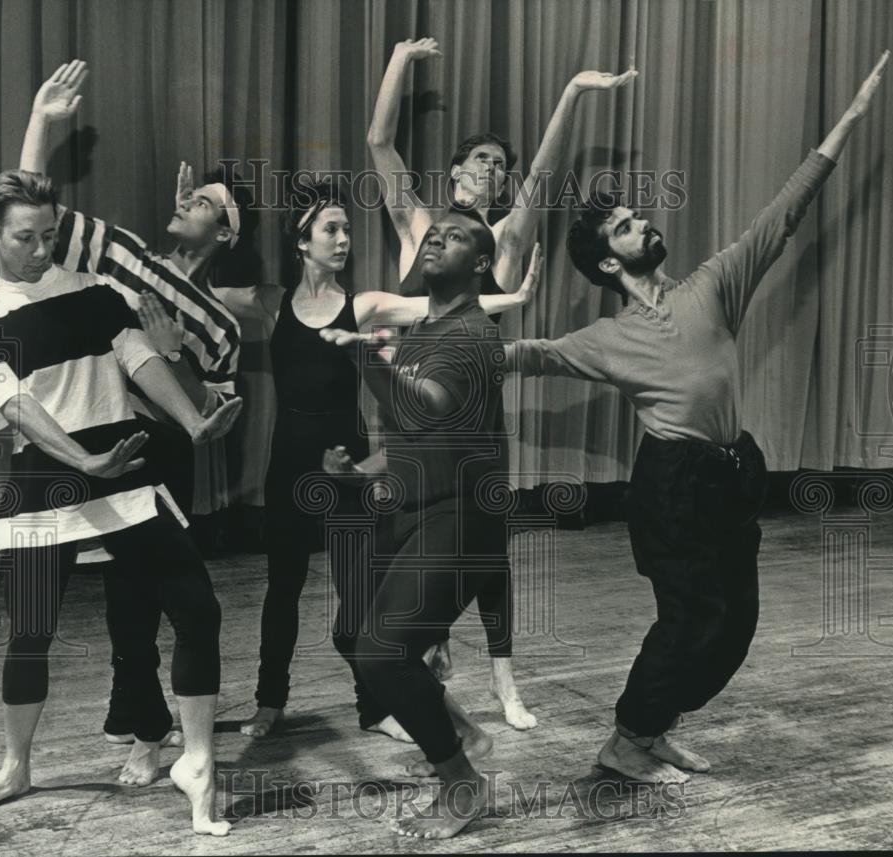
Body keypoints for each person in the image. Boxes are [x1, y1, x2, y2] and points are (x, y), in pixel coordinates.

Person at [504, 53, 890, 783]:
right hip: (672, 486)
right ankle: (626, 738)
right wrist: (433, 346)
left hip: (730, 472)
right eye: (625, 224)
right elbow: (528, 354)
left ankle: (653, 727)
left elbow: (782, 215)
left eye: (636, 215)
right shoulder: (607, 339)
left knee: (734, 625)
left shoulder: (712, 286)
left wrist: (850, 119)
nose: (642, 221)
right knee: (689, 620)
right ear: (608, 263)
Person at [0, 169, 243, 836]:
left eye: (50, 235)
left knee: (198, 608)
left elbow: (142, 362)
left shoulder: (101, 291)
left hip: (125, 470)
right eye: (25, 237)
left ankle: (197, 760)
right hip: (47, 481)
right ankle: (15, 765)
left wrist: (196, 420)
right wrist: (80, 459)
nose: (39, 248)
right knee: (29, 635)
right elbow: (13, 402)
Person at [367, 37, 637, 726]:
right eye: (483, 159)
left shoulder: (506, 244)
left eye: (500, 165)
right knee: (400, 549)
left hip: (477, 428)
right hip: (408, 422)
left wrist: (573, 93)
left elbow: (542, 174)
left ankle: (505, 683)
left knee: (489, 556)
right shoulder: (422, 228)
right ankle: (417, 669)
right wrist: (400, 56)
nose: (495, 169)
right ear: (457, 170)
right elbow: (378, 141)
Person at [220, 180, 538, 739]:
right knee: (283, 586)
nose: (343, 239)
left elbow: (433, 302)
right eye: (331, 230)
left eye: (347, 229)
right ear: (303, 241)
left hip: (349, 465)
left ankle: (377, 708)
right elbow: (208, 288)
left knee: (360, 590)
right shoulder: (271, 304)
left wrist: (513, 299)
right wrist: (227, 229)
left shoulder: (361, 304)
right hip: (290, 461)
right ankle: (270, 702)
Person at [17, 61, 254, 771]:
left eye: (207, 201)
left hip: (161, 453)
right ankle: (142, 722)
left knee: (141, 596)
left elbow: (210, 419)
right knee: (80, 609)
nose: (188, 201)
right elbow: (30, 216)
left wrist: (174, 354)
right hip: (89, 430)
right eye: (193, 194)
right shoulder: (117, 249)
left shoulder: (219, 324)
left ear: (226, 231)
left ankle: (155, 734)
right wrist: (42, 123)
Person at [320, 205, 537, 839]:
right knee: (355, 636)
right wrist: (360, 471)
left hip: (462, 517)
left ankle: (461, 782)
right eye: (434, 234)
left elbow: (431, 406)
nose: (438, 239)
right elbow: (415, 436)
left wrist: (367, 364)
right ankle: (459, 727)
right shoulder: (422, 334)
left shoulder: (473, 335)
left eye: (459, 237)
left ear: (480, 264)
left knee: (383, 654)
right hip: (413, 508)